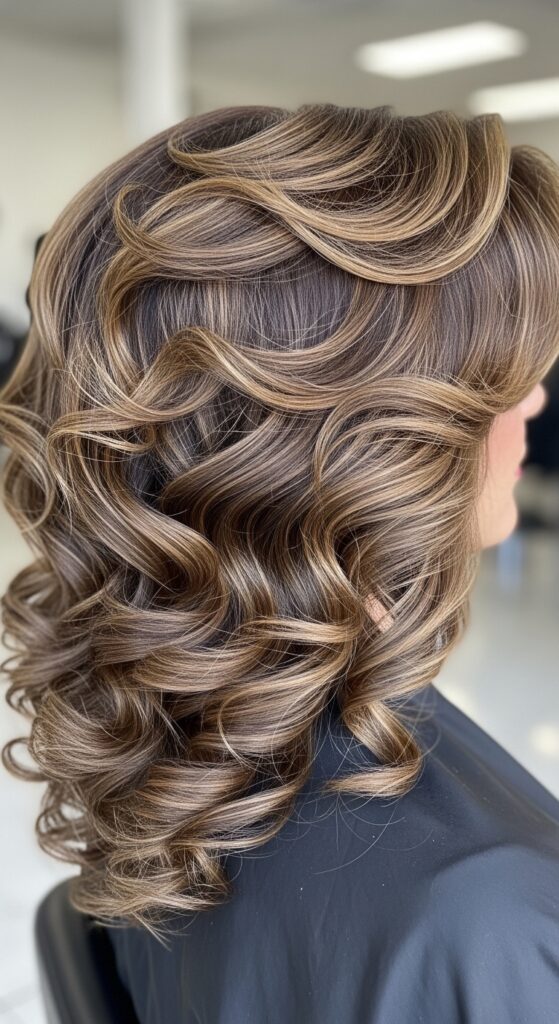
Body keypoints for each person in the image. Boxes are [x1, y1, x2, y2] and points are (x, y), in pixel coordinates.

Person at [1, 103, 558, 1023]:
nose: (533, 398)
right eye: (499, 367)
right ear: (371, 437)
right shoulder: (490, 914)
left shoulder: (163, 715)